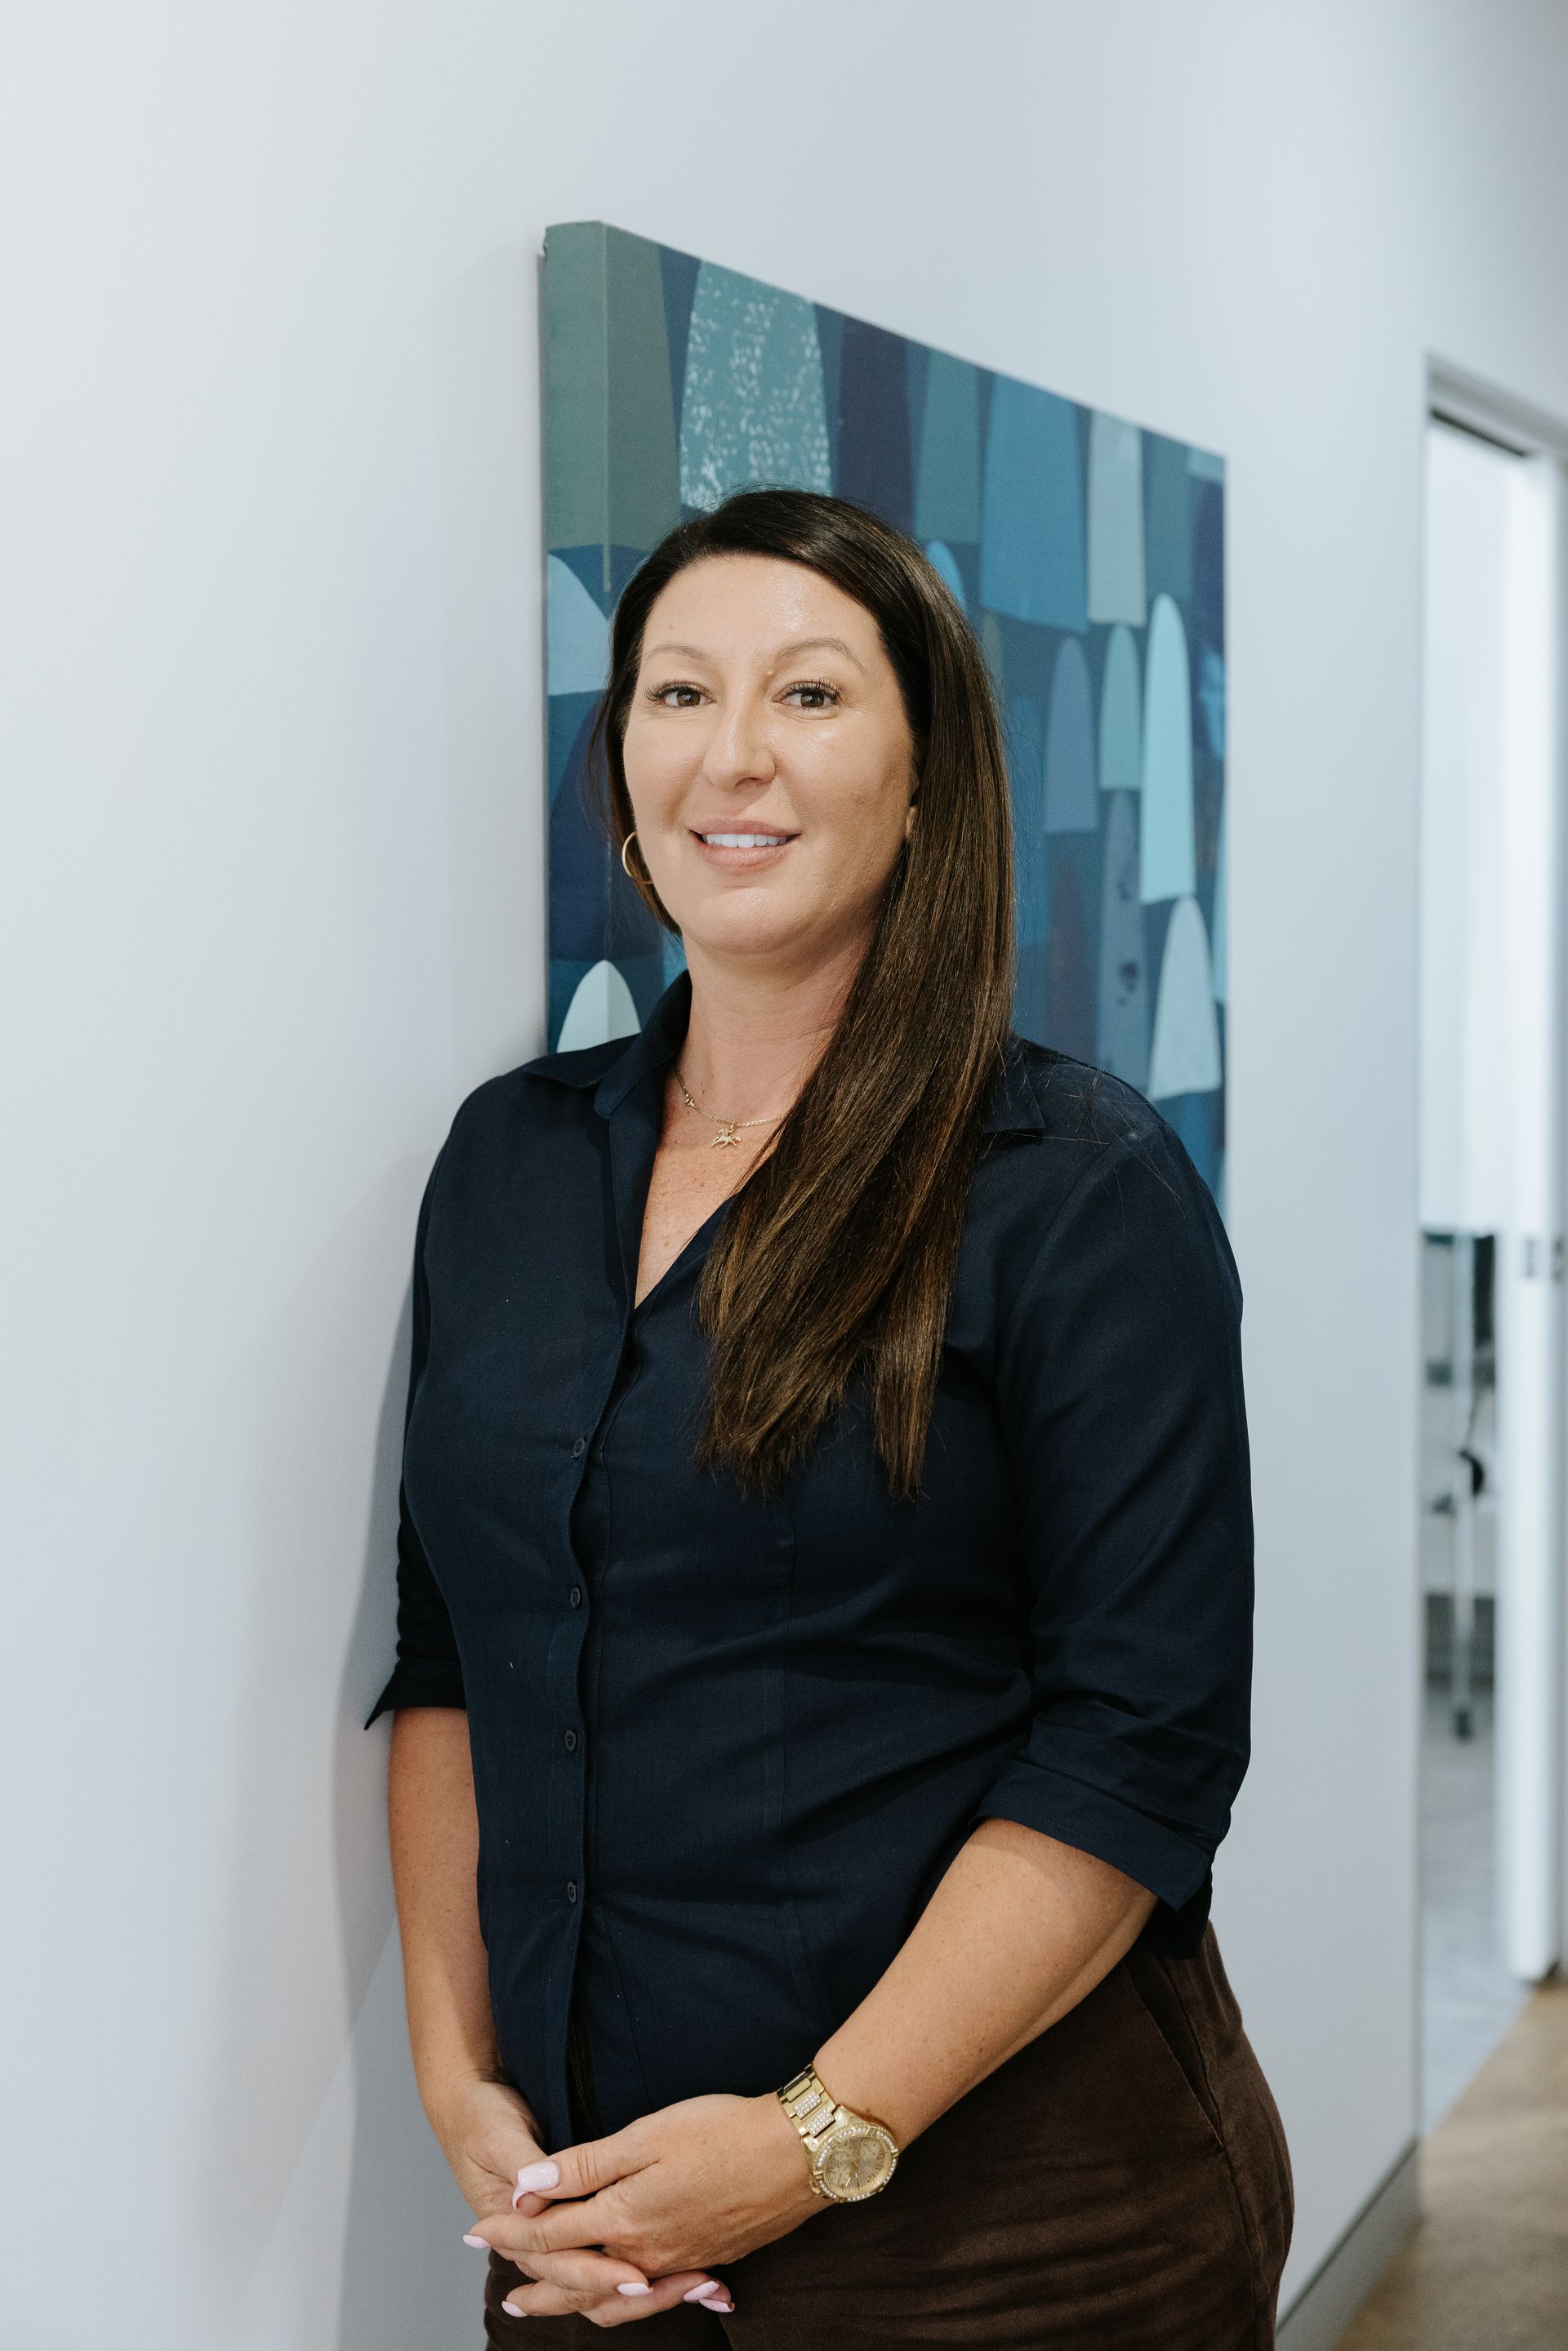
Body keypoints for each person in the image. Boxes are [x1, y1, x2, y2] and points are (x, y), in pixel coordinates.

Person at [371, 488, 1292, 2346]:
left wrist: (815, 2138)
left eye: (808, 697)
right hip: (602, 2221)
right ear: (619, 765)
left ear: (928, 775)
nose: (733, 757)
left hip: (1019, 2224)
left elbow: (1141, 1745)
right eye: (676, 694)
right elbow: (452, 1649)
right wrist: (461, 2087)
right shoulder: (508, 1162)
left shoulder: (1074, 1186)